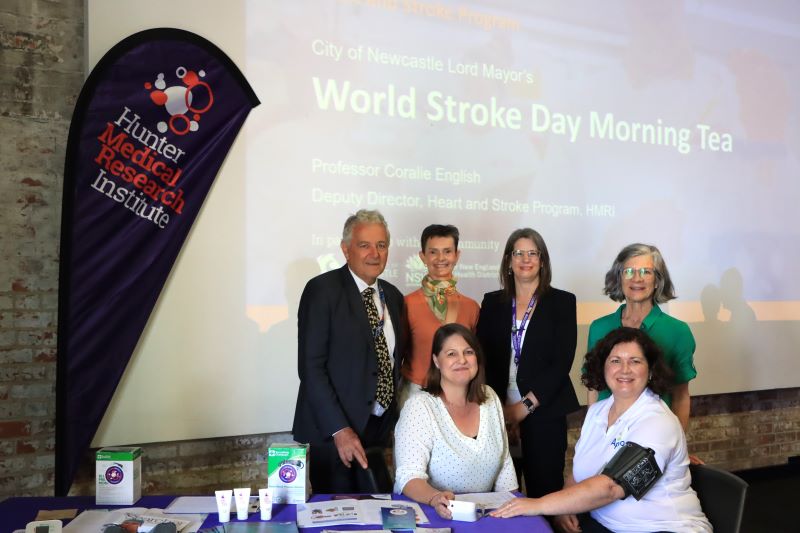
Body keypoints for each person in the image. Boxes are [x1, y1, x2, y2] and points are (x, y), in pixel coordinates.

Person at [491, 327, 711, 533]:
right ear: (603, 367)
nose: (624, 369)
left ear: (651, 371)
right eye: (615, 361)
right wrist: (566, 506)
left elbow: (611, 487)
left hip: (663, 528)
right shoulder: (597, 411)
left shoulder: (658, 422)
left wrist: (538, 505)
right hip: (603, 525)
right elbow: (577, 472)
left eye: (635, 361)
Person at [292, 209, 405, 493]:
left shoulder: (393, 296)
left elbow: (392, 363)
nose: (374, 253)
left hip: (377, 432)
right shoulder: (322, 290)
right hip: (334, 436)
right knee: (338, 518)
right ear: (345, 249)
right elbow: (311, 368)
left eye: (381, 245)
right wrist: (340, 429)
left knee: (378, 515)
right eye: (364, 245)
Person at [476, 228, 579, 498]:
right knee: (499, 497)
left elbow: (561, 362)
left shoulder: (563, 303)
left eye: (532, 253)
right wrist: (500, 409)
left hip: (544, 413)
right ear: (508, 261)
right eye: (518, 253)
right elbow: (482, 359)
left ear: (542, 260)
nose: (525, 259)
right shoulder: (491, 303)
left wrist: (525, 407)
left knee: (544, 495)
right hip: (496, 414)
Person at [394, 323, 517, 519]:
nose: (462, 360)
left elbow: (504, 461)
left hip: (483, 516)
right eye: (451, 354)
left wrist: (514, 506)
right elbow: (408, 477)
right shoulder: (419, 407)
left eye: (468, 352)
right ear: (436, 360)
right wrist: (435, 498)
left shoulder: (490, 397)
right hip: (433, 513)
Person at [586, 243, 696, 431]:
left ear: (657, 280)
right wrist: (592, 434)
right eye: (629, 271)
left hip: (655, 436)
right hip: (607, 431)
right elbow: (593, 389)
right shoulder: (599, 328)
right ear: (619, 278)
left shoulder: (678, 331)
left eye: (646, 272)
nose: (637, 279)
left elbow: (680, 396)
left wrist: (677, 447)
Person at [401, 224, 480, 405]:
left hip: (460, 394)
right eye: (433, 252)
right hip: (416, 393)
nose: (441, 258)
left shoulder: (471, 307)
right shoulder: (407, 304)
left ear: (456, 255)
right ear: (422, 257)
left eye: (447, 251)